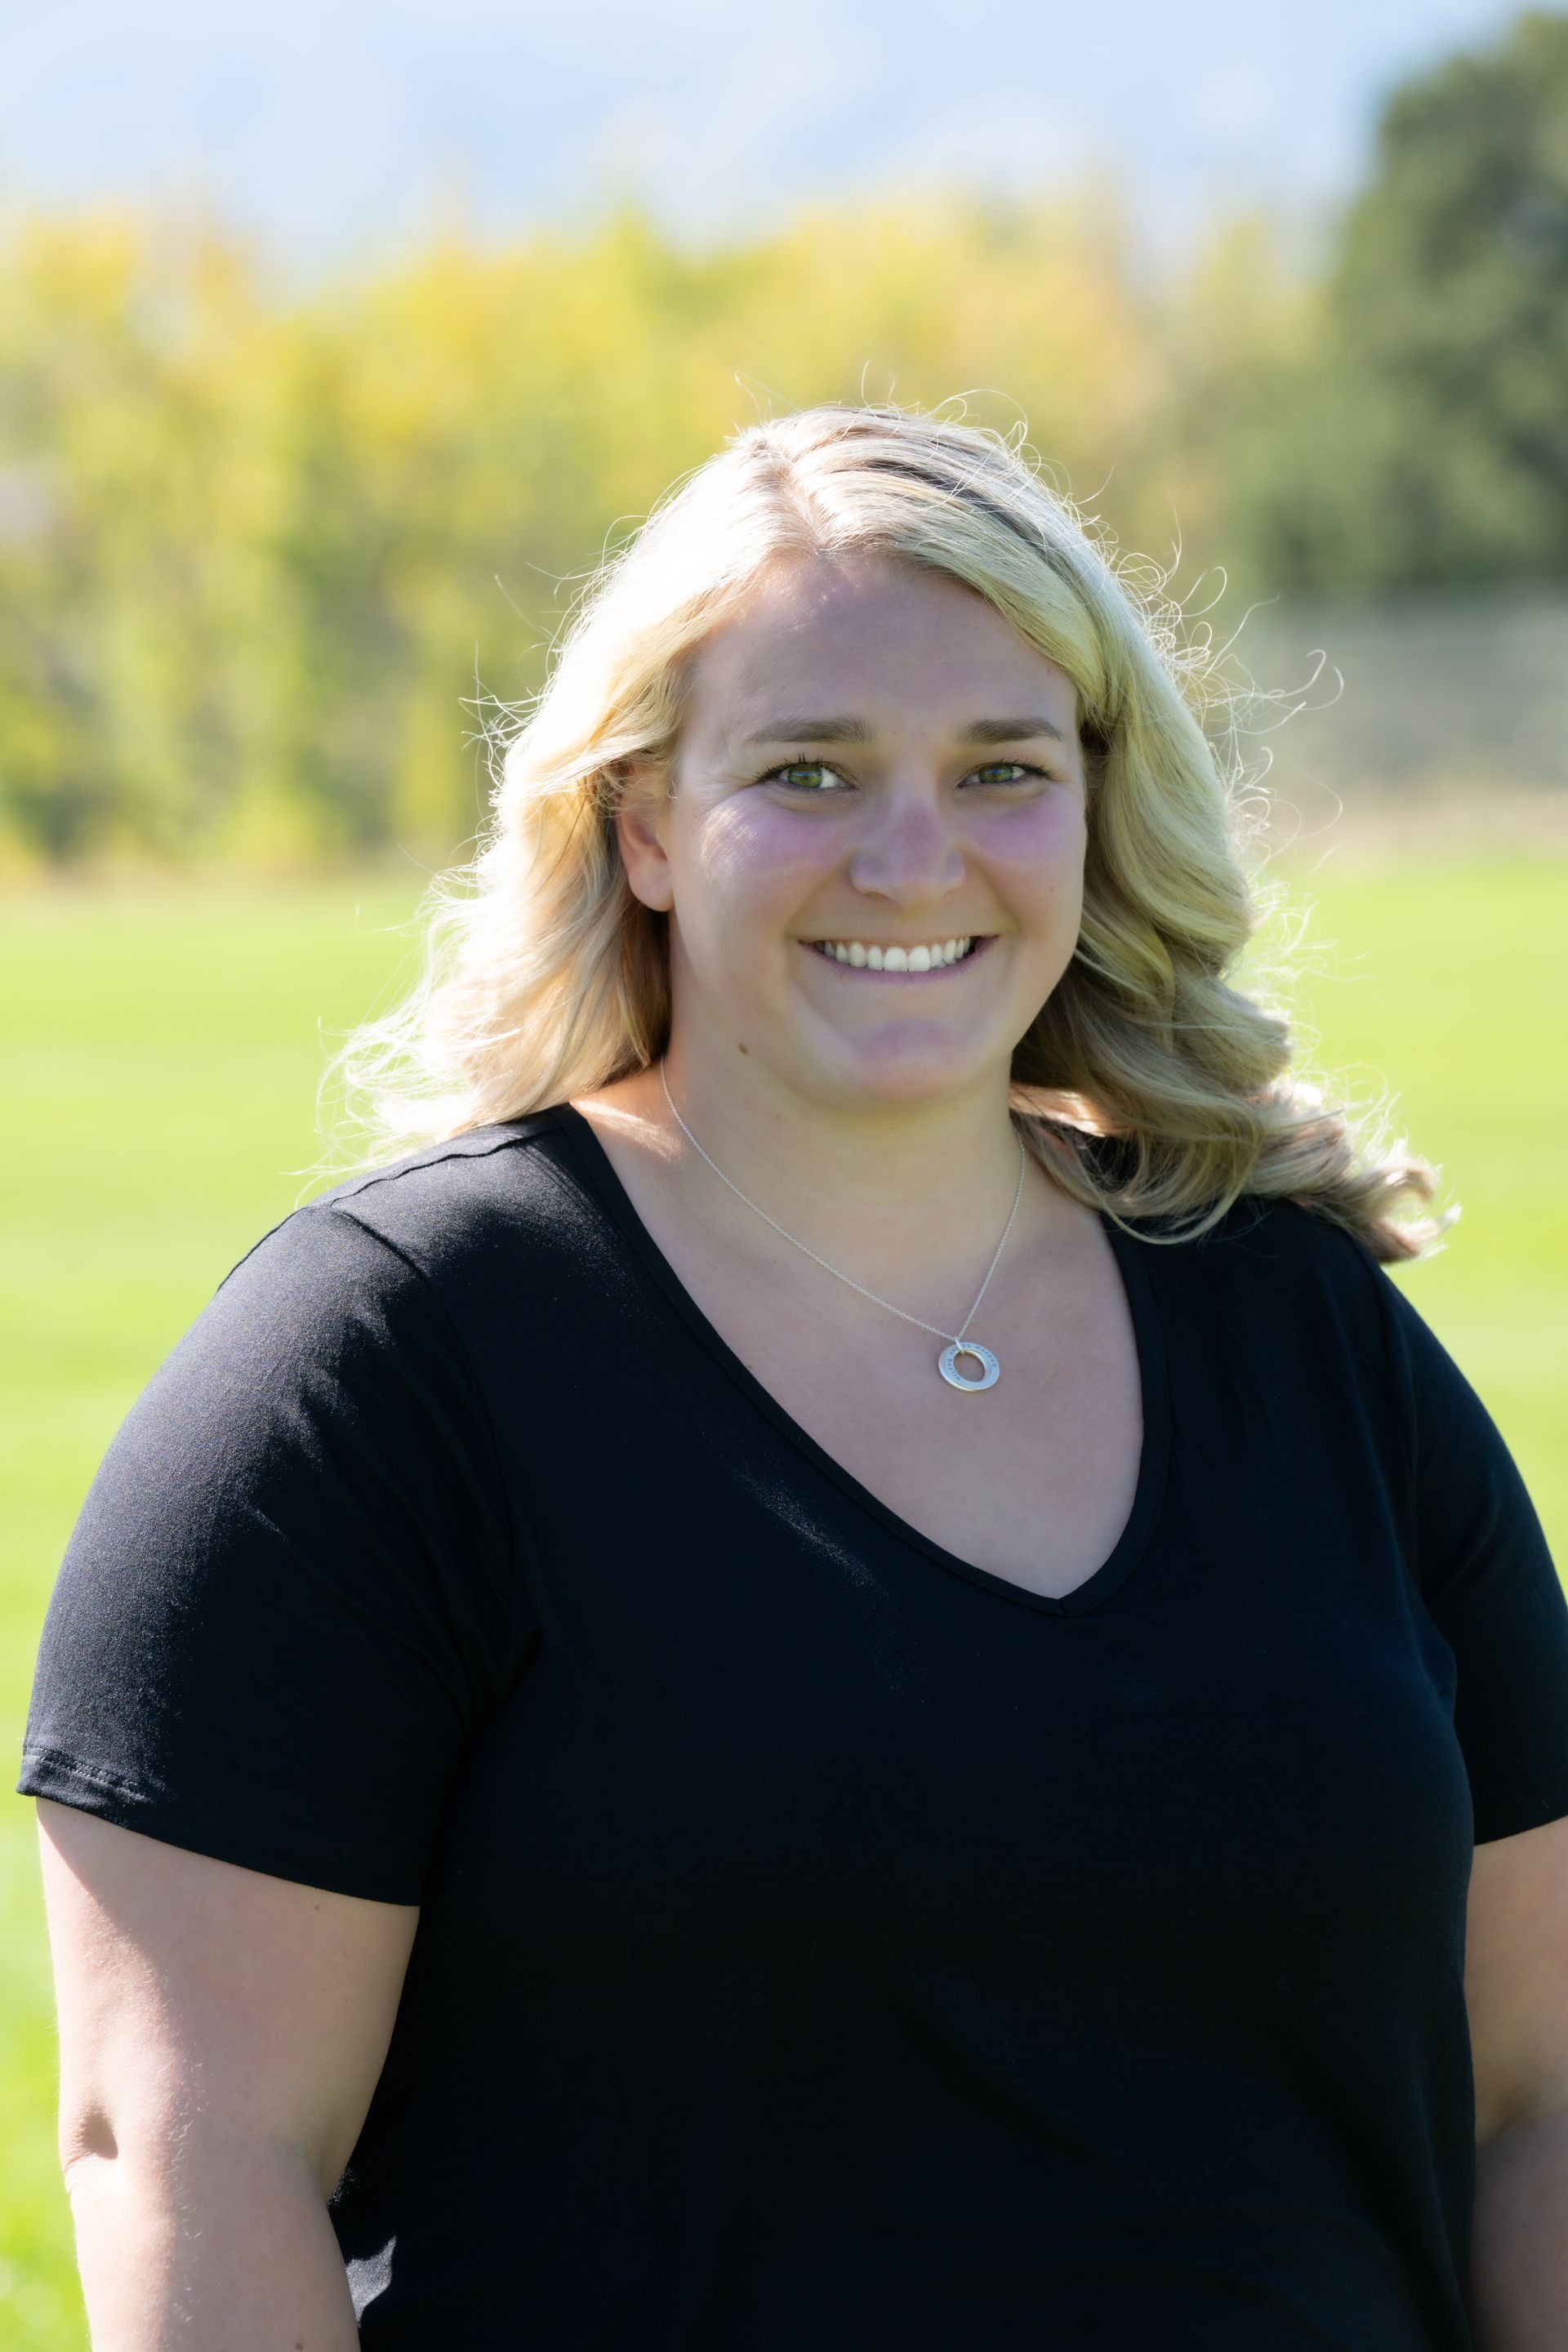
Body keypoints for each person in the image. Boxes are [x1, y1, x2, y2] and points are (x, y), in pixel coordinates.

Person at [17, 402, 1568, 2351]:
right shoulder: (375, 1379)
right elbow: (184, 2149)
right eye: (810, 772)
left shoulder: (1311, 1338)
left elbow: (1541, 2105)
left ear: (1092, 810)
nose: (912, 858)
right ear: (644, 822)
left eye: (1001, 768)